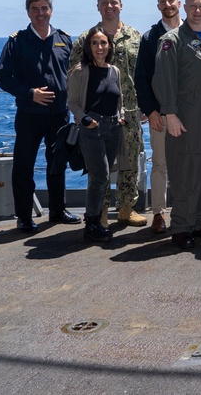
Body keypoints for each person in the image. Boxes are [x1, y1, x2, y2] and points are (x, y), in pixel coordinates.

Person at [0, 0, 81, 233]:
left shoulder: (64, 39)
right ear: (28, 13)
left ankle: (57, 210)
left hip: (59, 114)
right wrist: (30, 93)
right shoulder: (17, 41)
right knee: (24, 165)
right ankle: (24, 216)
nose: (40, 14)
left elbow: (75, 73)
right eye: (35, 9)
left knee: (57, 162)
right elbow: (2, 76)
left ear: (51, 10)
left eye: (44, 8)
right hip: (29, 114)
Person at [152, 0, 201, 249]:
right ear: (184, 7)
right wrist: (170, 114)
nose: (197, 10)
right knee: (185, 173)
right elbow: (162, 79)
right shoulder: (172, 40)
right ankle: (182, 226)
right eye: (193, 6)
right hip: (185, 118)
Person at [70, 0, 146, 228]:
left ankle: (126, 208)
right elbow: (73, 73)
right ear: (98, 7)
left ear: (121, 5)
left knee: (130, 161)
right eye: (104, 3)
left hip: (130, 111)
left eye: (114, 2)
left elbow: (145, 73)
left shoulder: (136, 36)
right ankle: (99, 211)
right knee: (98, 167)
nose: (109, 6)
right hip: (97, 115)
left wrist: (147, 104)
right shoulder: (87, 38)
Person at [67, 27, 124, 243]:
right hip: (92, 128)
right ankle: (91, 223)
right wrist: (85, 120)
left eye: (103, 43)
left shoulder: (114, 71)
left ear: (109, 46)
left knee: (103, 176)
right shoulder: (80, 71)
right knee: (99, 176)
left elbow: (117, 98)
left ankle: (95, 221)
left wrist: (121, 116)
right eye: (95, 43)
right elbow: (72, 102)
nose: (99, 47)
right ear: (88, 47)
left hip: (113, 128)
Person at [134, 0, 182, 234]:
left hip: (188, 114)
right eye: (162, 2)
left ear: (179, 3)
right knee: (160, 164)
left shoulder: (191, 31)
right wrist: (150, 110)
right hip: (160, 115)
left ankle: (185, 213)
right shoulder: (150, 37)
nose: (167, 4)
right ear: (158, 6)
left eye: (170, 0)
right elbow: (141, 78)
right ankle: (158, 214)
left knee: (186, 165)